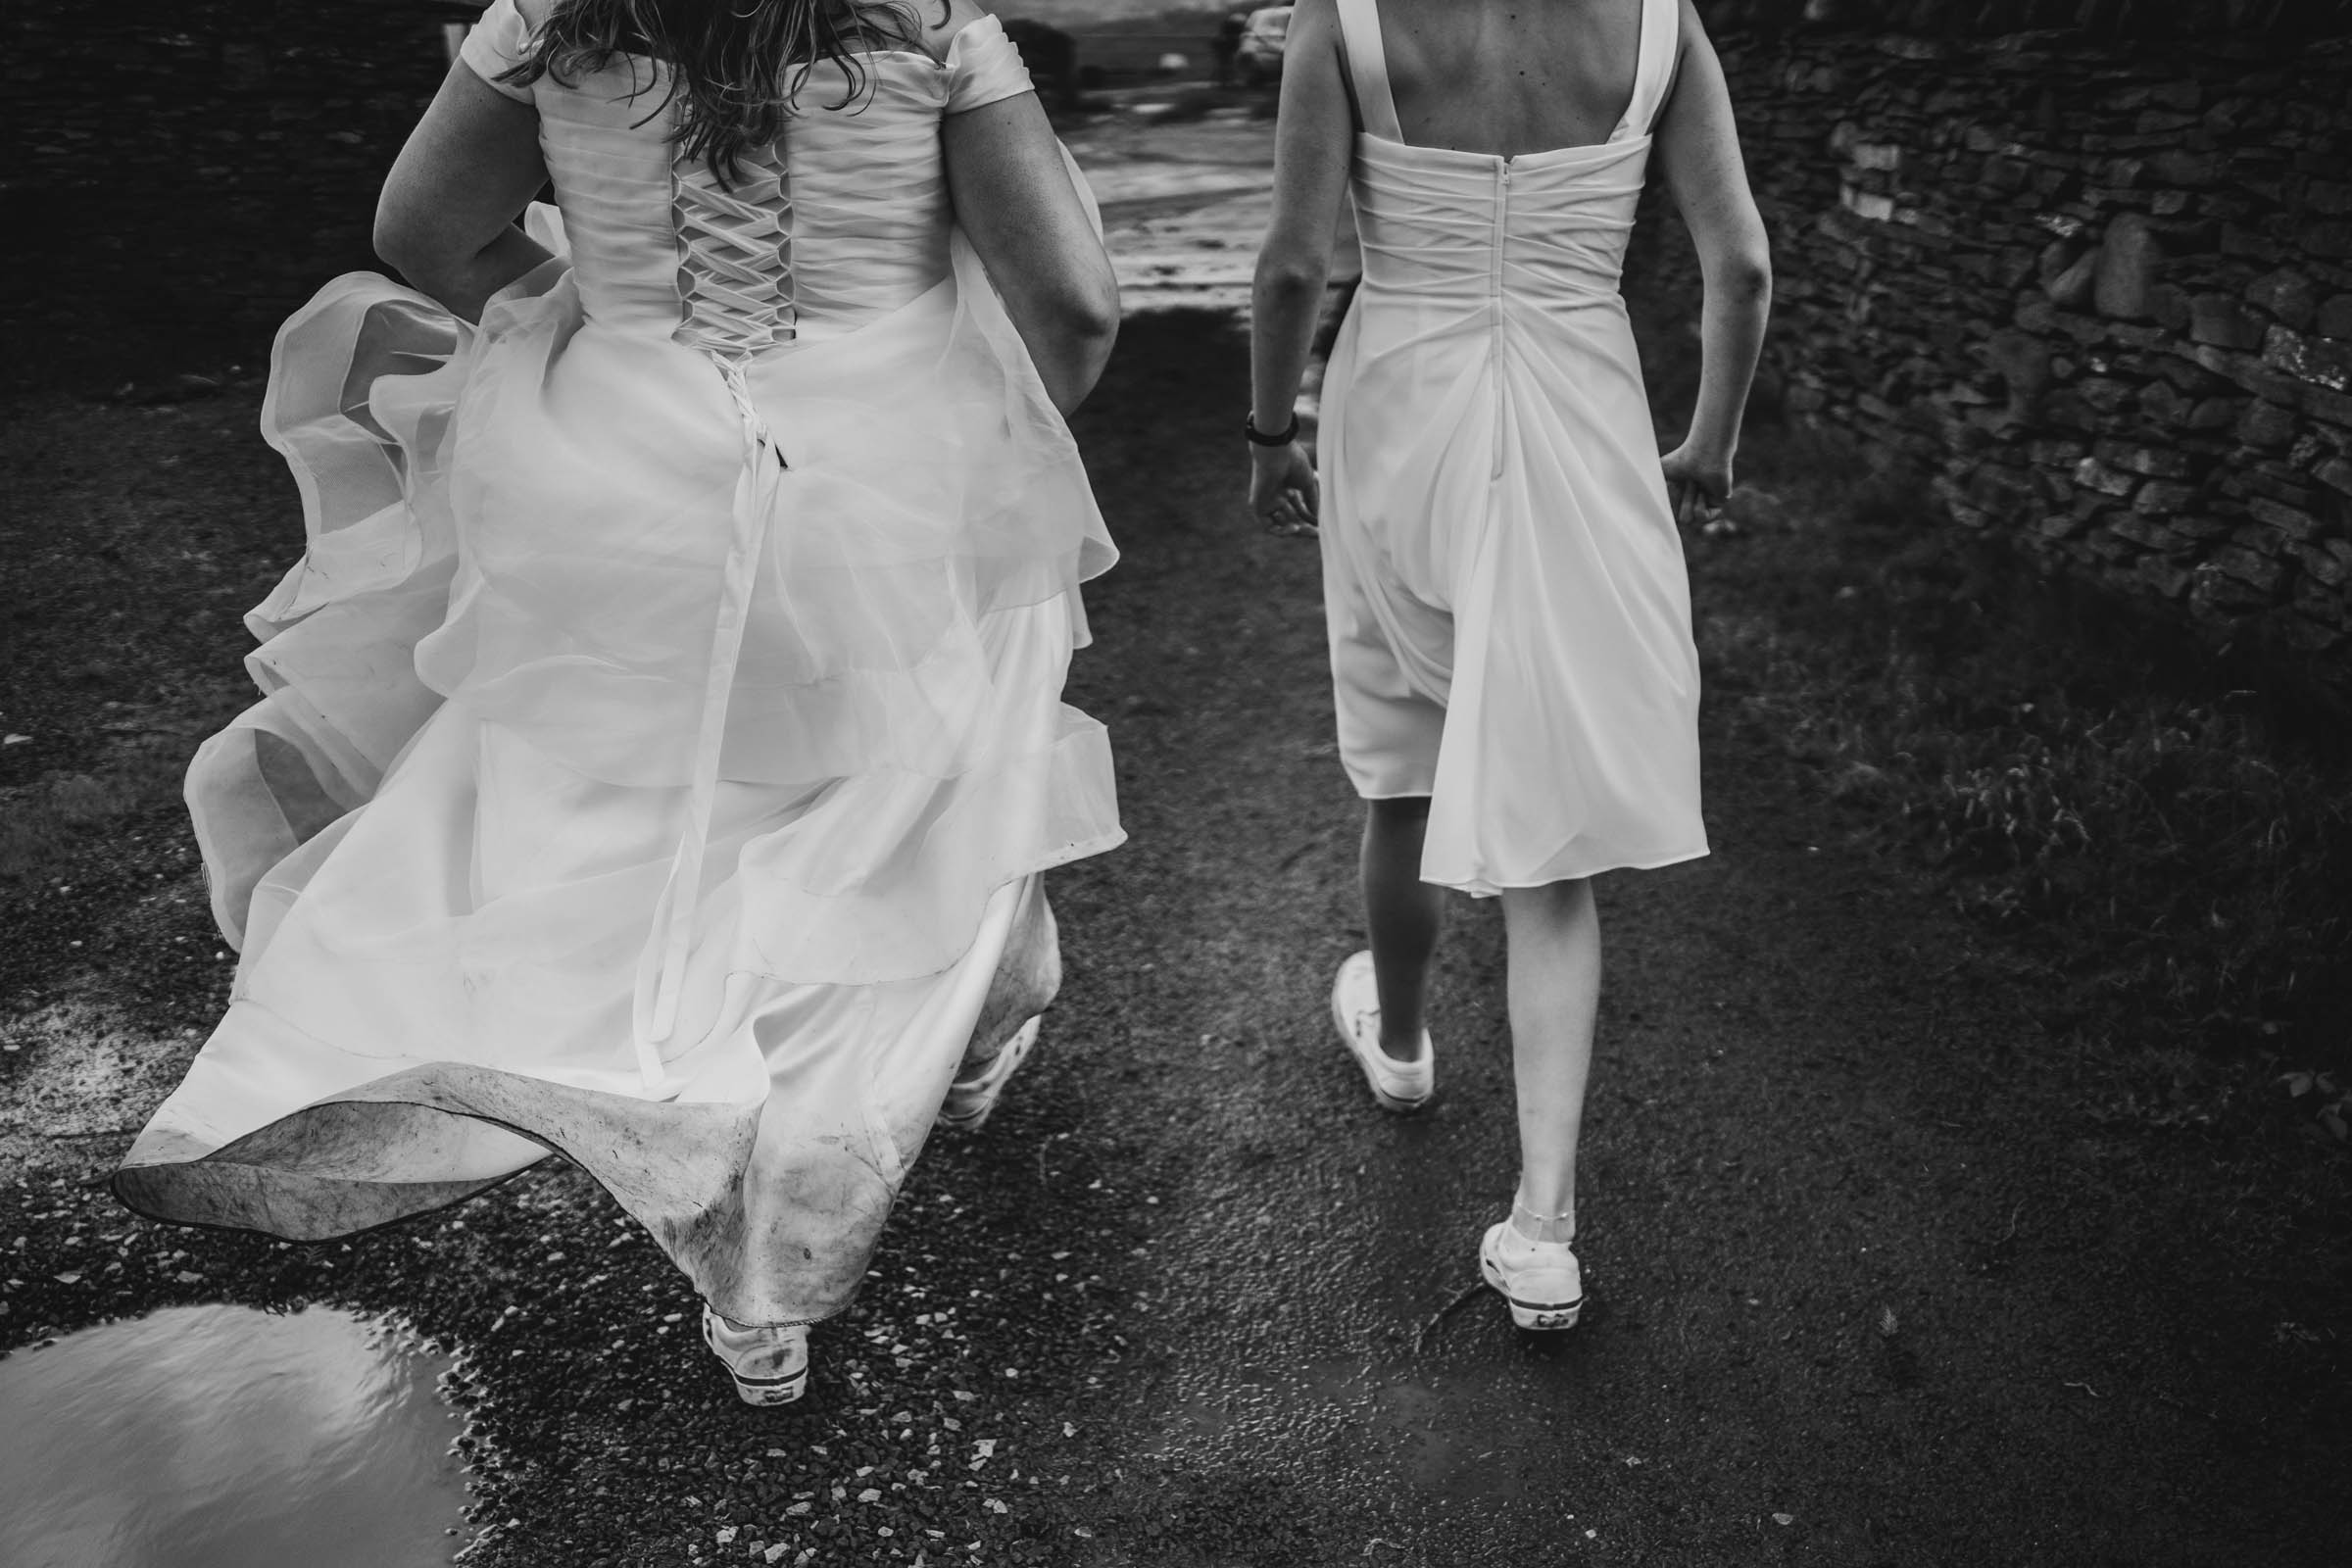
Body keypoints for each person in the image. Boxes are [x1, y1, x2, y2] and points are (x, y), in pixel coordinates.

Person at [112, 0, 1122, 1406]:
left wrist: (614, 325)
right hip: (885, 485)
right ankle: (778, 1248)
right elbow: (1071, 304)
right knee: (895, 815)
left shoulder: (553, 20)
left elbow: (428, 234)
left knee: (643, 849)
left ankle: (741, 1204)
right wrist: (998, 447)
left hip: (608, 485)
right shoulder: (930, 26)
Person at [1247, 0, 1769, 1330]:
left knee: (1403, 764)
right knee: (1552, 842)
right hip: (1575, 418)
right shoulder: (1660, 23)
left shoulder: (1344, 18)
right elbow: (1742, 268)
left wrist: (1269, 436)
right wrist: (1708, 443)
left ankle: (1407, 1048)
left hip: (1400, 414)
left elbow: (1296, 266)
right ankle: (1543, 1227)